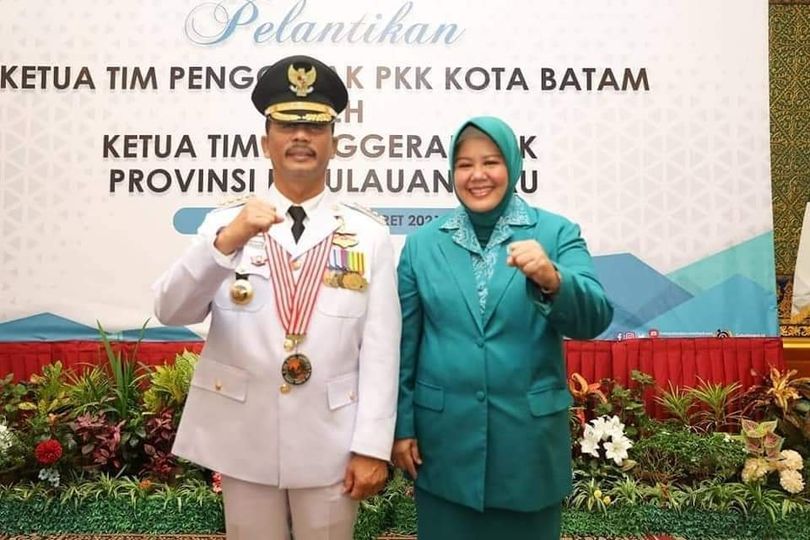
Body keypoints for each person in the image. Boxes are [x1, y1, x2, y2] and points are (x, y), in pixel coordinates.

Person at [153, 55, 401, 540]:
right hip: (245, 436)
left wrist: (372, 446)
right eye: (287, 125)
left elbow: (381, 350)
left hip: (333, 441)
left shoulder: (368, 234)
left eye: (315, 127)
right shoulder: (223, 225)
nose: (301, 137)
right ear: (266, 142)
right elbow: (170, 309)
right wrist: (226, 242)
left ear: (334, 142)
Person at [391, 116, 613, 539]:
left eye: (490, 162)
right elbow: (405, 344)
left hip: (528, 447)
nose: (477, 175)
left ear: (512, 164)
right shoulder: (422, 244)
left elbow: (595, 317)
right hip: (443, 447)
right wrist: (402, 427)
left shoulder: (555, 232)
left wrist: (553, 279)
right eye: (464, 164)